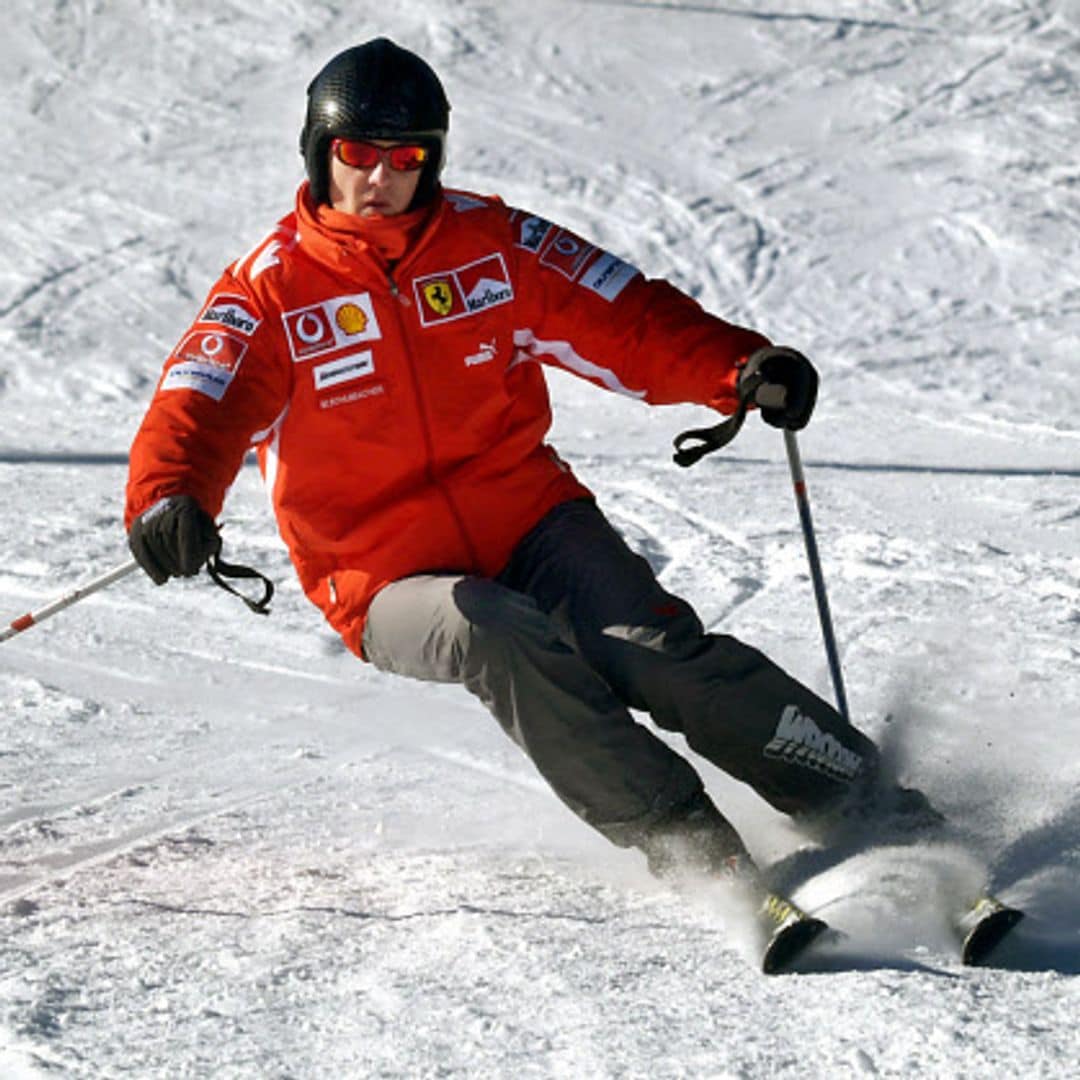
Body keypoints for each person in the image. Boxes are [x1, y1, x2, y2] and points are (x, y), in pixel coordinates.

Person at [125, 37, 923, 894]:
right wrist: (167, 498)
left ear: (432, 161)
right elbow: (197, 406)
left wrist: (740, 367)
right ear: (321, 155)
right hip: (380, 574)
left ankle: (854, 792)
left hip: (529, 520)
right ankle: (688, 839)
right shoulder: (269, 290)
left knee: (654, 653)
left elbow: (624, 315)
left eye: (406, 156)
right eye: (357, 153)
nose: (380, 176)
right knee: (490, 630)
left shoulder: (493, 244)